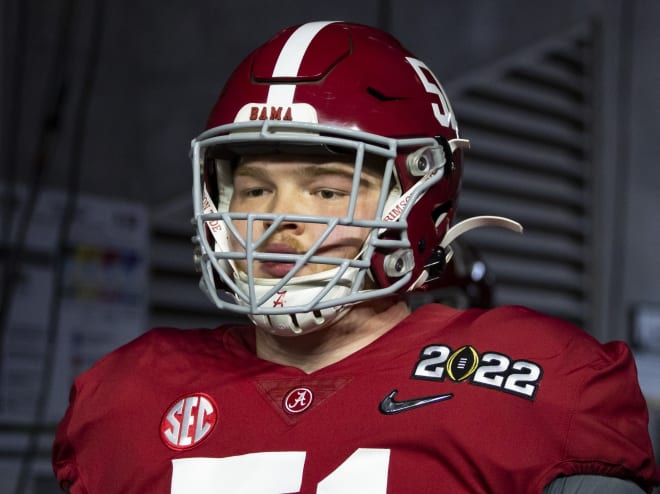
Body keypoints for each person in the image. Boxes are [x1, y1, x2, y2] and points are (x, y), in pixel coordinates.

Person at [52, 21, 660, 493]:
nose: (275, 221)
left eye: (326, 191)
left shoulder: (548, 387)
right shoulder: (125, 397)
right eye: (256, 189)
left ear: (417, 200)